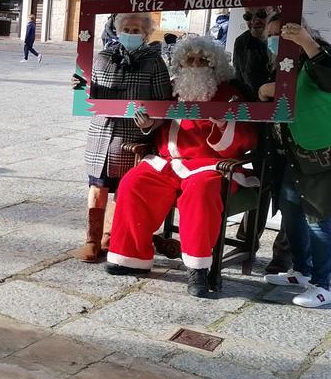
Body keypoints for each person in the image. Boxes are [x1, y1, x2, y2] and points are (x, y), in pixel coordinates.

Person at [105, 35, 258, 297]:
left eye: (203, 60)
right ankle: (130, 258)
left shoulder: (230, 94)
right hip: (168, 163)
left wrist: (223, 125)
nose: (195, 65)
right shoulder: (173, 88)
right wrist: (147, 125)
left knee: (201, 191)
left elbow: (247, 138)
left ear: (215, 65)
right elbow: (160, 124)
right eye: (189, 59)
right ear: (181, 63)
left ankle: (197, 269)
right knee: (133, 183)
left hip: (212, 165)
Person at [257, 21, 331, 308]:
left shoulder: (320, 57)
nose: (273, 40)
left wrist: (306, 41)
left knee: (318, 215)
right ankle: (301, 271)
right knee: (291, 209)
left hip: (325, 150)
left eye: (279, 34)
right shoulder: (285, 66)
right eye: (269, 36)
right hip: (298, 152)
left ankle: (322, 285)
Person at [73, 12, 172, 262]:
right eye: (126, 28)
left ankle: (109, 237)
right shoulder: (102, 58)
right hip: (101, 133)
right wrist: (79, 87)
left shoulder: (155, 63)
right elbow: (90, 94)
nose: (130, 33)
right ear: (117, 30)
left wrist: (152, 122)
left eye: (136, 29)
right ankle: (92, 240)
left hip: (133, 137)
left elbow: (164, 106)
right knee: (98, 185)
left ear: (147, 34)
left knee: (122, 190)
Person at [232, 6, 294, 274]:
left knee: (291, 190)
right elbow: (240, 79)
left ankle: (283, 254)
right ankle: (247, 242)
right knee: (260, 184)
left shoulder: (291, 43)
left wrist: (267, 92)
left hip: (291, 128)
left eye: (260, 15)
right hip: (258, 127)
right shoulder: (242, 42)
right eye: (248, 16)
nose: (254, 21)